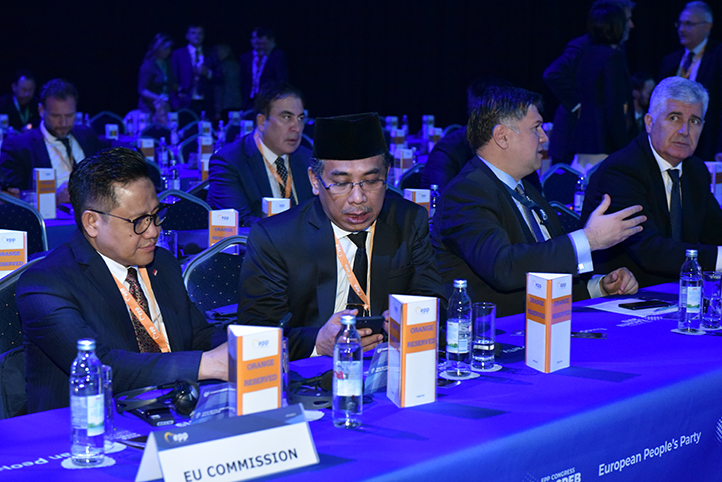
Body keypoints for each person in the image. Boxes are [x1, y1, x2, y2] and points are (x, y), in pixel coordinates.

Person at [16, 148, 228, 413]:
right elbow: (100, 366)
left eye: (156, 215)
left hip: (172, 408)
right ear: (92, 222)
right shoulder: (46, 283)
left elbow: (199, 335)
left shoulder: (161, 262)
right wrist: (205, 364)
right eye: (139, 221)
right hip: (86, 429)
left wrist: (243, 348)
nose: (153, 231)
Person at [237, 112, 445, 360]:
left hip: (391, 364)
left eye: (370, 181)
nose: (358, 198)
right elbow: (256, 332)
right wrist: (316, 342)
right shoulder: (276, 238)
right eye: (341, 184)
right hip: (310, 374)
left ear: (386, 176)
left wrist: (411, 320)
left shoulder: (409, 221)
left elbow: (435, 301)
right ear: (315, 181)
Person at [432, 86, 645, 317]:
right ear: (502, 136)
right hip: (498, 337)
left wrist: (598, 287)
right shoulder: (466, 192)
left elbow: (544, 266)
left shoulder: (526, 189)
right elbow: (504, 267)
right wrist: (589, 239)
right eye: (536, 128)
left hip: (546, 325)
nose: (544, 137)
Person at [581, 77, 722, 288]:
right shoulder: (623, 169)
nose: (685, 131)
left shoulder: (695, 170)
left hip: (677, 292)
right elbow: (649, 250)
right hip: (626, 296)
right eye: (674, 118)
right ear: (649, 122)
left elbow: (715, 231)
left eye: (694, 121)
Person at [206, 81, 313, 226]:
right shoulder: (229, 162)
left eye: (300, 118)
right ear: (261, 122)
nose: (297, 128)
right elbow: (241, 223)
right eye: (287, 117)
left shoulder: (308, 158)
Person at [543, 0, 635, 166]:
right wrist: (579, 106)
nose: (630, 24)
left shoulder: (617, 48)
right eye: (626, 19)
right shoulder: (583, 46)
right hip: (573, 133)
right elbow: (553, 73)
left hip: (596, 137)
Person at [0, 78, 105, 202]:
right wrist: (53, 198)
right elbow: (9, 197)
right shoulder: (18, 146)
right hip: (51, 218)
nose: (64, 123)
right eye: (56, 116)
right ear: (41, 111)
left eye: (69, 115)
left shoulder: (86, 135)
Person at [572, 1, 637, 175]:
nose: (630, 26)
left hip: (585, 141)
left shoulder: (588, 54)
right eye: (626, 21)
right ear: (616, 25)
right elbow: (613, 108)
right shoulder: (613, 57)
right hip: (604, 143)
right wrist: (625, 147)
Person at [658, 1, 722, 162]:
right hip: (672, 143)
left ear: (707, 26)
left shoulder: (718, 56)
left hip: (708, 144)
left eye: (688, 24)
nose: (681, 29)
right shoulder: (669, 61)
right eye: (679, 24)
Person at [170, 25, 219, 117]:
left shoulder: (211, 53)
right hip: (185, 102)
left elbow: (220, 77)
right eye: (193, 33)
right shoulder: (178, 54)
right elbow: (173, 79)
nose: (197, 36)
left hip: (206, 102)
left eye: (200, 33)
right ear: (187, 36)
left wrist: (208, 73)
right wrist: (175, 103)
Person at [239, 27, 288, 111]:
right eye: (254, 39)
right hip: (250, 101)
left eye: (262, 42)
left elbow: (281, 79)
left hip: (268, 100)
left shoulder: (276, 56)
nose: (258, 42)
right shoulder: (245, 58)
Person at [138, 33, 177, 124]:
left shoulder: (168, 63)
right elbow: (142, 90)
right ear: (158, 48)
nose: (168, 51)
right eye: (165, 49)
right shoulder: (148, 65)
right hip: (148, 108)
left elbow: (171, 82)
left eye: (169, 48)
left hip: (164, 107)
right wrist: (158, 98)